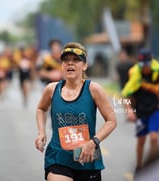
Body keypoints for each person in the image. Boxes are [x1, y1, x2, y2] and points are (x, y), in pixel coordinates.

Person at [35, 42, 117, 181]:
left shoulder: (93, 89)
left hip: (87, 156)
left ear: (84, 65)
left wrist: (93, 142)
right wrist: (41, 132)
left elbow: (111, 121)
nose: (70, 64)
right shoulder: (52, 89)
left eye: (76, 60)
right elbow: (41, 108)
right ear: (62, 65)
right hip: (58, 156)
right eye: (66, 60)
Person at [121, 48, 159, 171]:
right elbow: (126, 94)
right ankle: (139, 166)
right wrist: (129, 111)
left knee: (154, 138)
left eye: (147, 64)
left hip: (155, 108)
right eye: (142, 64)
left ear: (151, 61)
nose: (145, 67)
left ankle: (154, 167)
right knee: (141, 139)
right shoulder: (133, 72)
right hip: (140, 110)